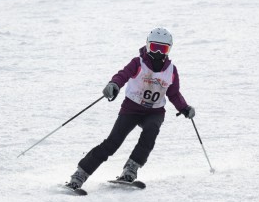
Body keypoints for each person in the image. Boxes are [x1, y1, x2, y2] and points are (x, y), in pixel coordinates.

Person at [66, 27, 195, 191]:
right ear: (147, 46)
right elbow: (123, 75)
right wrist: (113, 84)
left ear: (169, 50)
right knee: (112, 143)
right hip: (131, 108)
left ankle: (130, 170)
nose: (157, 52)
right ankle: (79, 175)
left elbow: (174, 93)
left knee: (151, 131)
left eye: (162, 49)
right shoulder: (138, 63)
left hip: (155, 111)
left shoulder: (171, 71)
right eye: (154, 47)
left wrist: (184, 108)